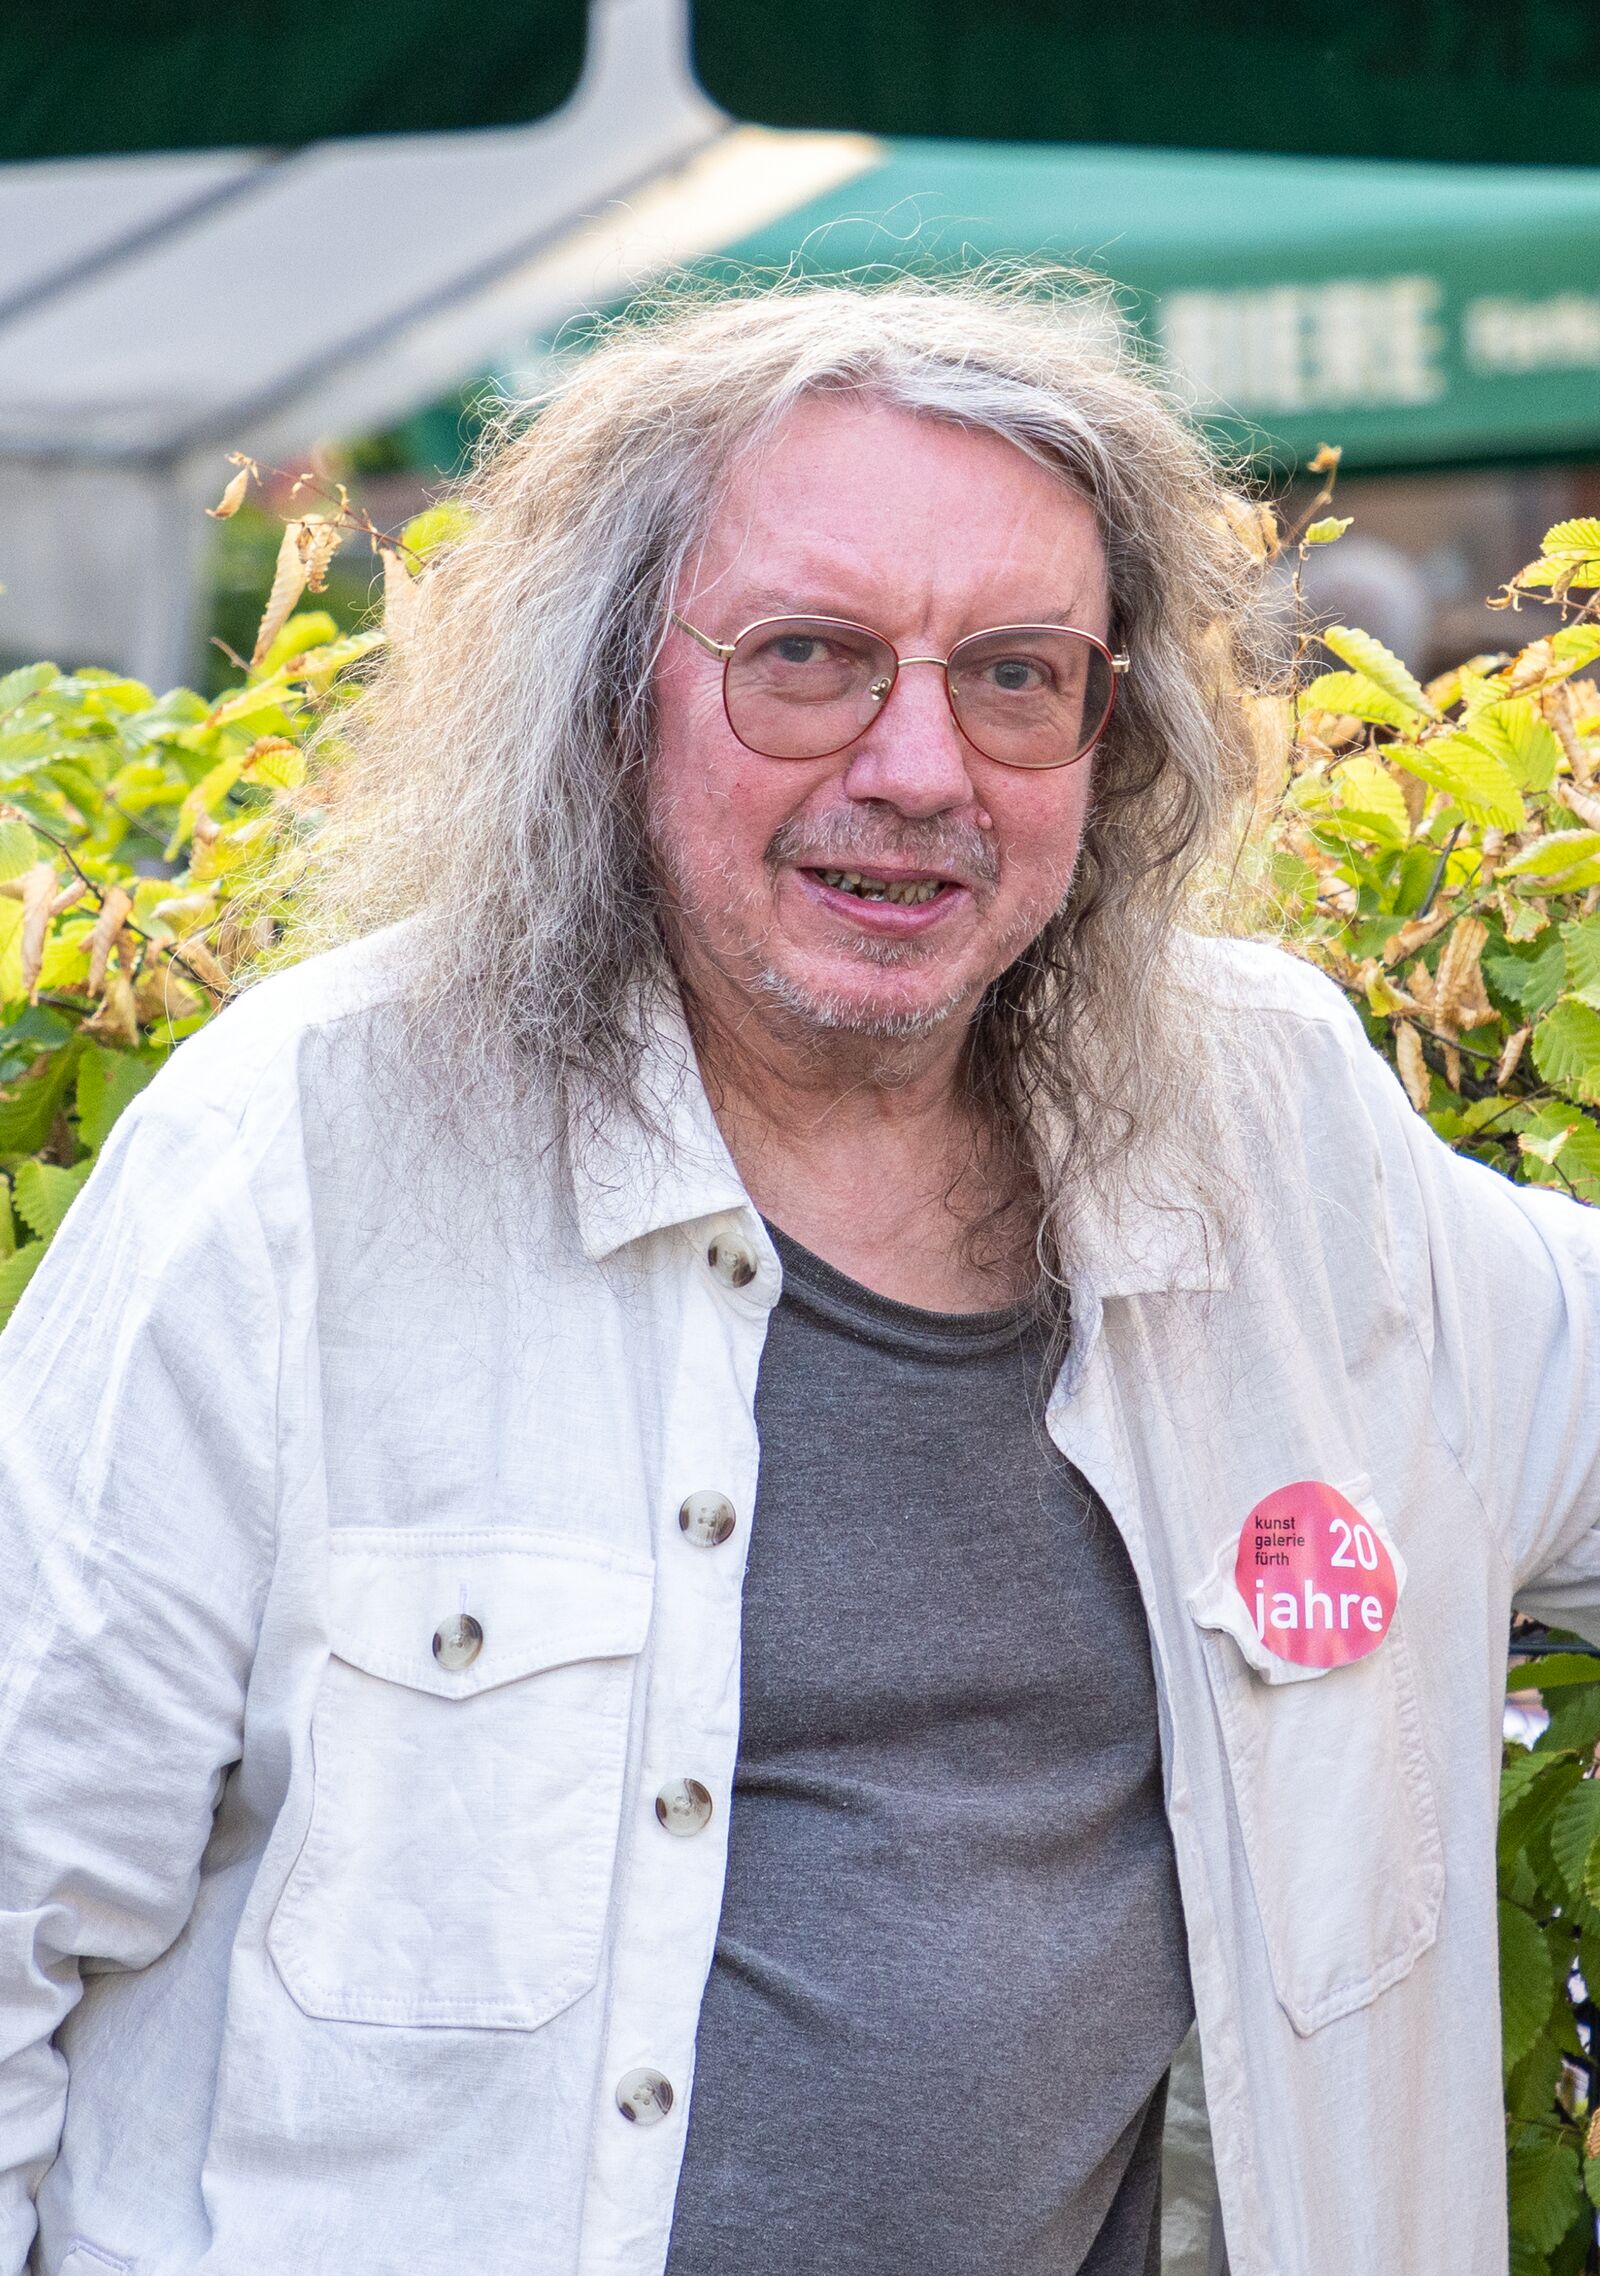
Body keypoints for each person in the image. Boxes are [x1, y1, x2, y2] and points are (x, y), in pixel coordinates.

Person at [0, 274, 1594, 2276]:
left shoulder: (1273, 1140)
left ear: (1110, 736)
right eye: (809, 659)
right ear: (614, 693)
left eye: (1014, 675)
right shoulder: (301, 1157)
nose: (919, 767)